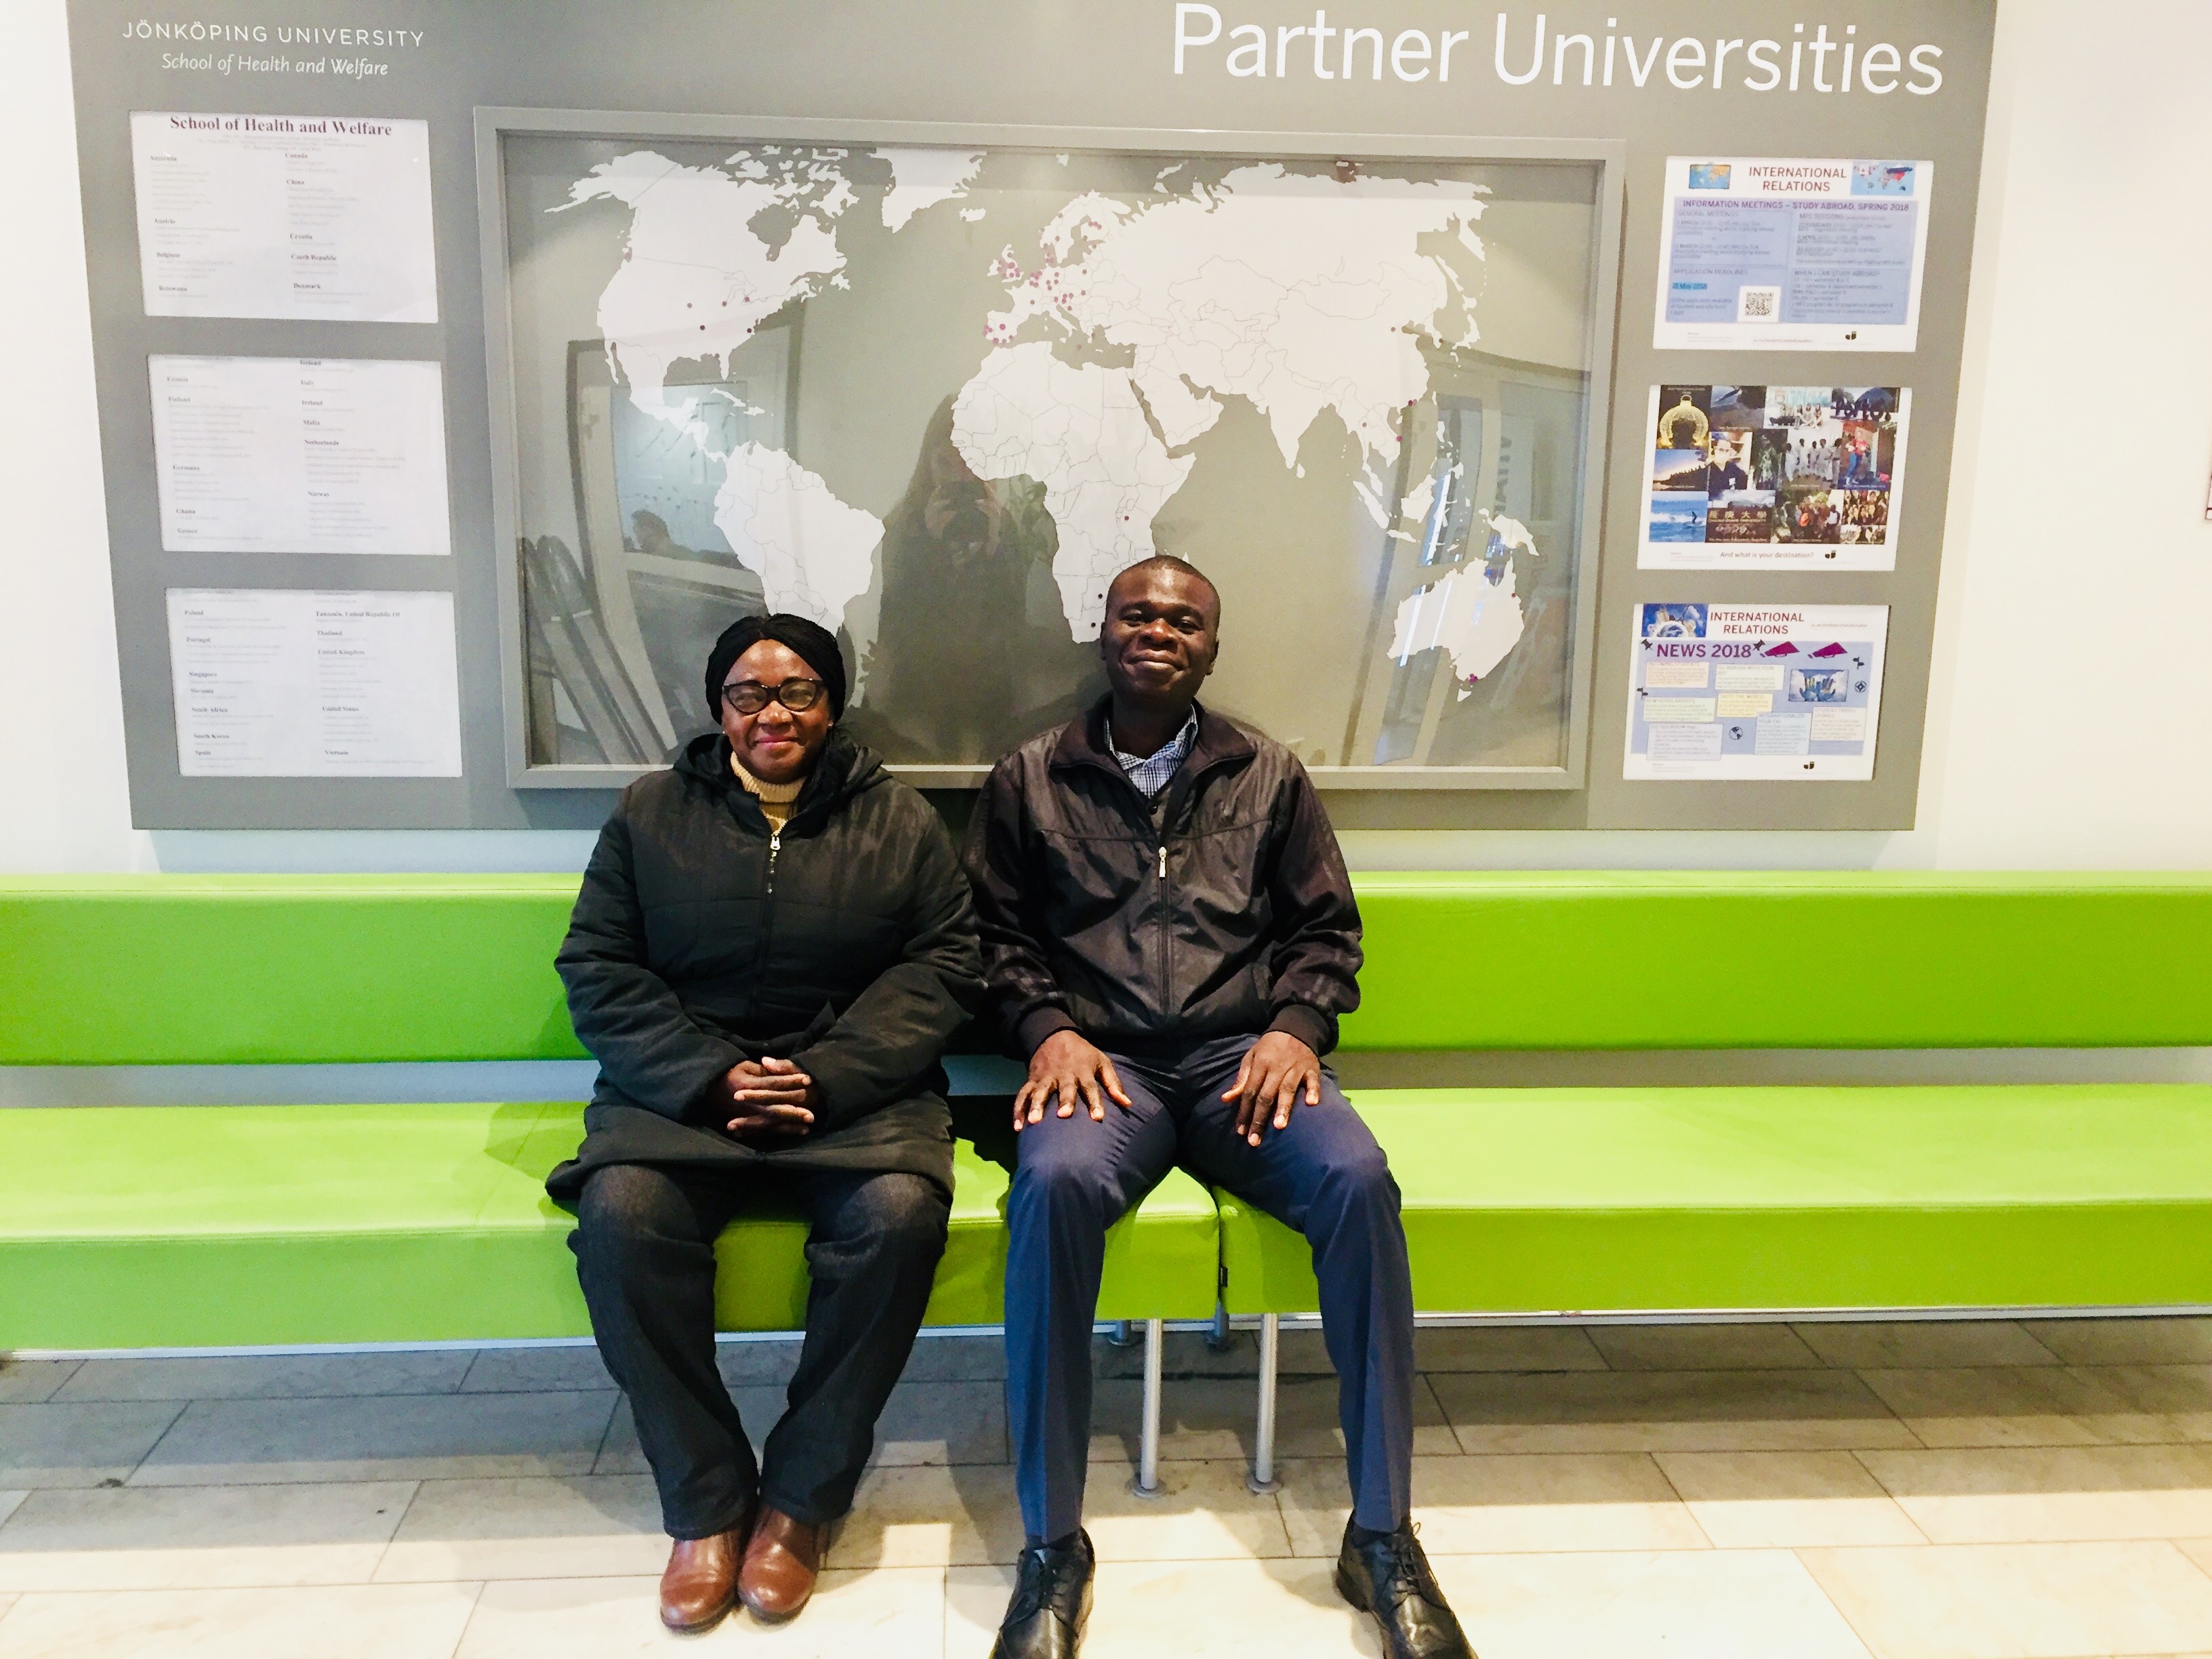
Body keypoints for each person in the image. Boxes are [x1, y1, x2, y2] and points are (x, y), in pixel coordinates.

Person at [963, 557, 1475, 1659]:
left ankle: (1382, 1535)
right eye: (1138, 614)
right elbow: (992, 940)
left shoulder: (1269, 773)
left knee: (1358, 1180)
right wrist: (1045, 1029)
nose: (1159, 631)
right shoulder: (1031, 776)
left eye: (1184, 620)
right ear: (1103, 630)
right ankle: (1052, 1545)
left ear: (1211, 646)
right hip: (1103, 1070)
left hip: (1243, 1062)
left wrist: (1295, 1030)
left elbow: (1327, 934)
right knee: (1051, 1188)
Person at [548, 613, 985, 1634]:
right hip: (683, 1098)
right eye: (748, 694)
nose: (772, 713)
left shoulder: (901, 820)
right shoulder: (650, 812)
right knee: (621, 1219)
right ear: (719, 708)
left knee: (896, 1221)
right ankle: (705, 1503)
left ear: (832, 705)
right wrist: (710, 1078)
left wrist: (826, 1077)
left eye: (797, 691)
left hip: (855, 1098)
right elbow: (598, 968)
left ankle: (798, 1502)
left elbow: (944, 968)